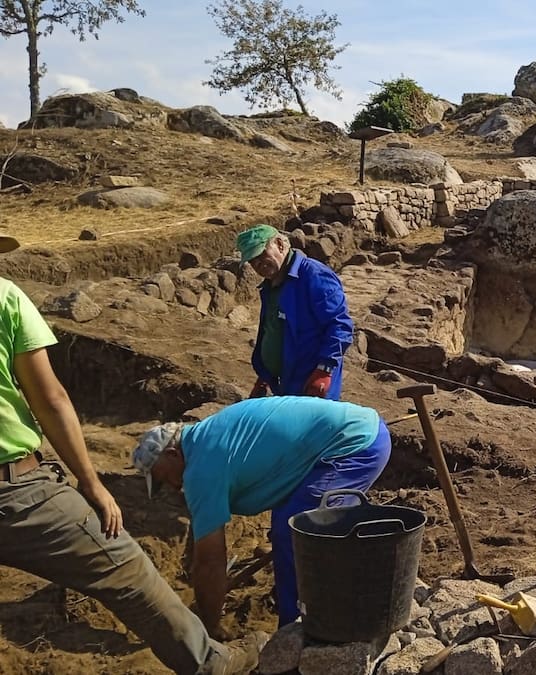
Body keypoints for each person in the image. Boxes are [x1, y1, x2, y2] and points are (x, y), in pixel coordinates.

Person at [0, 270, 260, 674]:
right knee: (127, 566)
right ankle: (209, 662)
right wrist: (92, 484)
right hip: (16, 493)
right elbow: (51, 400)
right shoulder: (5, 297)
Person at [132, 396, 391, 630]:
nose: (174, 486)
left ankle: (303, 628)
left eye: (164, 477)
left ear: (171, 453)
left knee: (297, 534)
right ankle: (298, 599)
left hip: (355, 445)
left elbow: (210, 562)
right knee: (287, 523)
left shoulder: (201, 471)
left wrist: (208, 628)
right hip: (345, 433)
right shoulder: (204, 437)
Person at [237, 224, 354, 400]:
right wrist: (264, 377)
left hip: (311, 383)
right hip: (284, 384)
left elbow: (340, 324)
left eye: (261, 254)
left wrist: (325, 370)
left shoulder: (313, 276)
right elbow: (274, 331)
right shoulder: (271, 286)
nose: (258, 264)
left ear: (280, 244)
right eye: (252, 260)